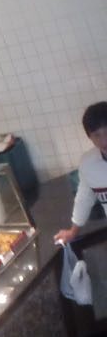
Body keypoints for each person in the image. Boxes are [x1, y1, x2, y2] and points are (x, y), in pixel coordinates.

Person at [55, 102, 107, 244]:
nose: (104, 141)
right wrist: (73, 232)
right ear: (90, 137)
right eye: (97, 135)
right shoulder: (88, 164)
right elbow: (84, 198)